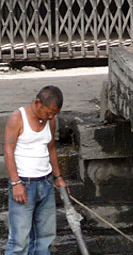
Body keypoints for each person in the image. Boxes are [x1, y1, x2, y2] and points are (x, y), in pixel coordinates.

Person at [4, 86, 67, 255]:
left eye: (54, 114)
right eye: (48, 112)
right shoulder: (18, 118)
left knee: (45, 236)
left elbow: (51, 148)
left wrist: (58, 177)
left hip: (45, 183)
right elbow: (8, 151)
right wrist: (16, 183)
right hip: (24, 183)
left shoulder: (50, 121)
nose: (51, 117)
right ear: (38, 103)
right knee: (19, 240)